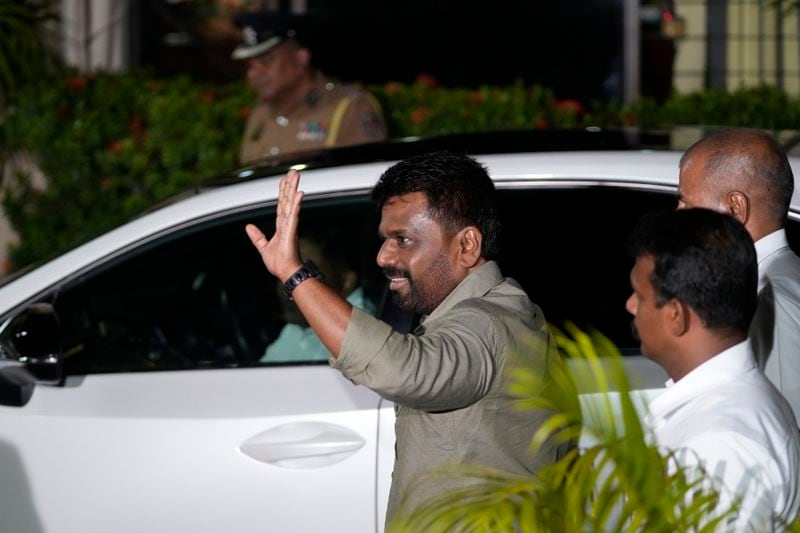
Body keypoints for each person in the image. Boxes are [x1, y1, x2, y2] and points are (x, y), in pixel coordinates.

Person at [244, 151, 568, 523]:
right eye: (385, 238)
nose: (383, 256)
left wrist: (294, 274)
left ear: (466, 246)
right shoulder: (488, 312)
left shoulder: (490, 323)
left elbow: (404, 369)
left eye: (403, 239)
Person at [626, 208, 800, 530]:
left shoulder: (720, 442)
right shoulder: (728, 407)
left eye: (640, 296)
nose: (630, 306)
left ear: (676, 315)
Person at [677, 127, 800, 423]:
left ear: (735, 209)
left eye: (685, 203)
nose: (677, 216)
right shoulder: (785, 278)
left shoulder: (766, 301)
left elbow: (783, 431)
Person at [231, 10, 387, 164]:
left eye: (266, 61)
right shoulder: (261, 113)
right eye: (250, 65)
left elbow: (363, 179)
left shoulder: (348, 108)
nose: (253, 74)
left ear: (301, 58)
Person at [261, 233, 378, 362]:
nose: (287, 287)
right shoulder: (297, 326)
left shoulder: (360, 327)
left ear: (346, 281)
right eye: (283, 276)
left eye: (303, 275)